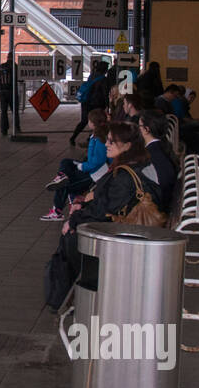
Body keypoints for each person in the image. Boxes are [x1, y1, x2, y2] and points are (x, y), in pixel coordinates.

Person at [44, 122, 161, 312]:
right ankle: (64, 295)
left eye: (112, 142)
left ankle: (62, 297)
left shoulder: (125, 176)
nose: (106, 144)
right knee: (70, 234)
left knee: (70, 239)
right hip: (130, 227)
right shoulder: (138, 164)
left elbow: (104, 210)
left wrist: (74, 220)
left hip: (125, 233)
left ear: (128, 145)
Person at [42, 108, 109, 220]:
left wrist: (82, 166)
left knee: (65, 185)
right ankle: (62, 176)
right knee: (66, 162)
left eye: (88, 120)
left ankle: (57, 211)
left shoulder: (100, 139)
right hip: (90, 168)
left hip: (93, 174)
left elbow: (97, 161)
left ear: (92, 123)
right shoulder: (97, 136)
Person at [136, 110, 178, 213]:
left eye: (139, 126)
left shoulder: (150, 155)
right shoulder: (162, 147)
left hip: (156, 209)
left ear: (146, 130)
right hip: (165, 203)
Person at [69, 61, 109, 146]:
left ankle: (73, 137)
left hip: (86, 102)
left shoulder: (92, 76)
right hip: (97, 104)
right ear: (105, 70)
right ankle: (91, 138)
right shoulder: (103, 79)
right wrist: (108, 105)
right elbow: (105, 93)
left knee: (84, 121)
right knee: (97, 122)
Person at [0, 58, 17, 136]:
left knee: (3, 111)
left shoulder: (1, 66)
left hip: (2, 91)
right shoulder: (14, 67)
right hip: (11, 91)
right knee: (14, 111)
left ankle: (4, 129)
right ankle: (16, 127)